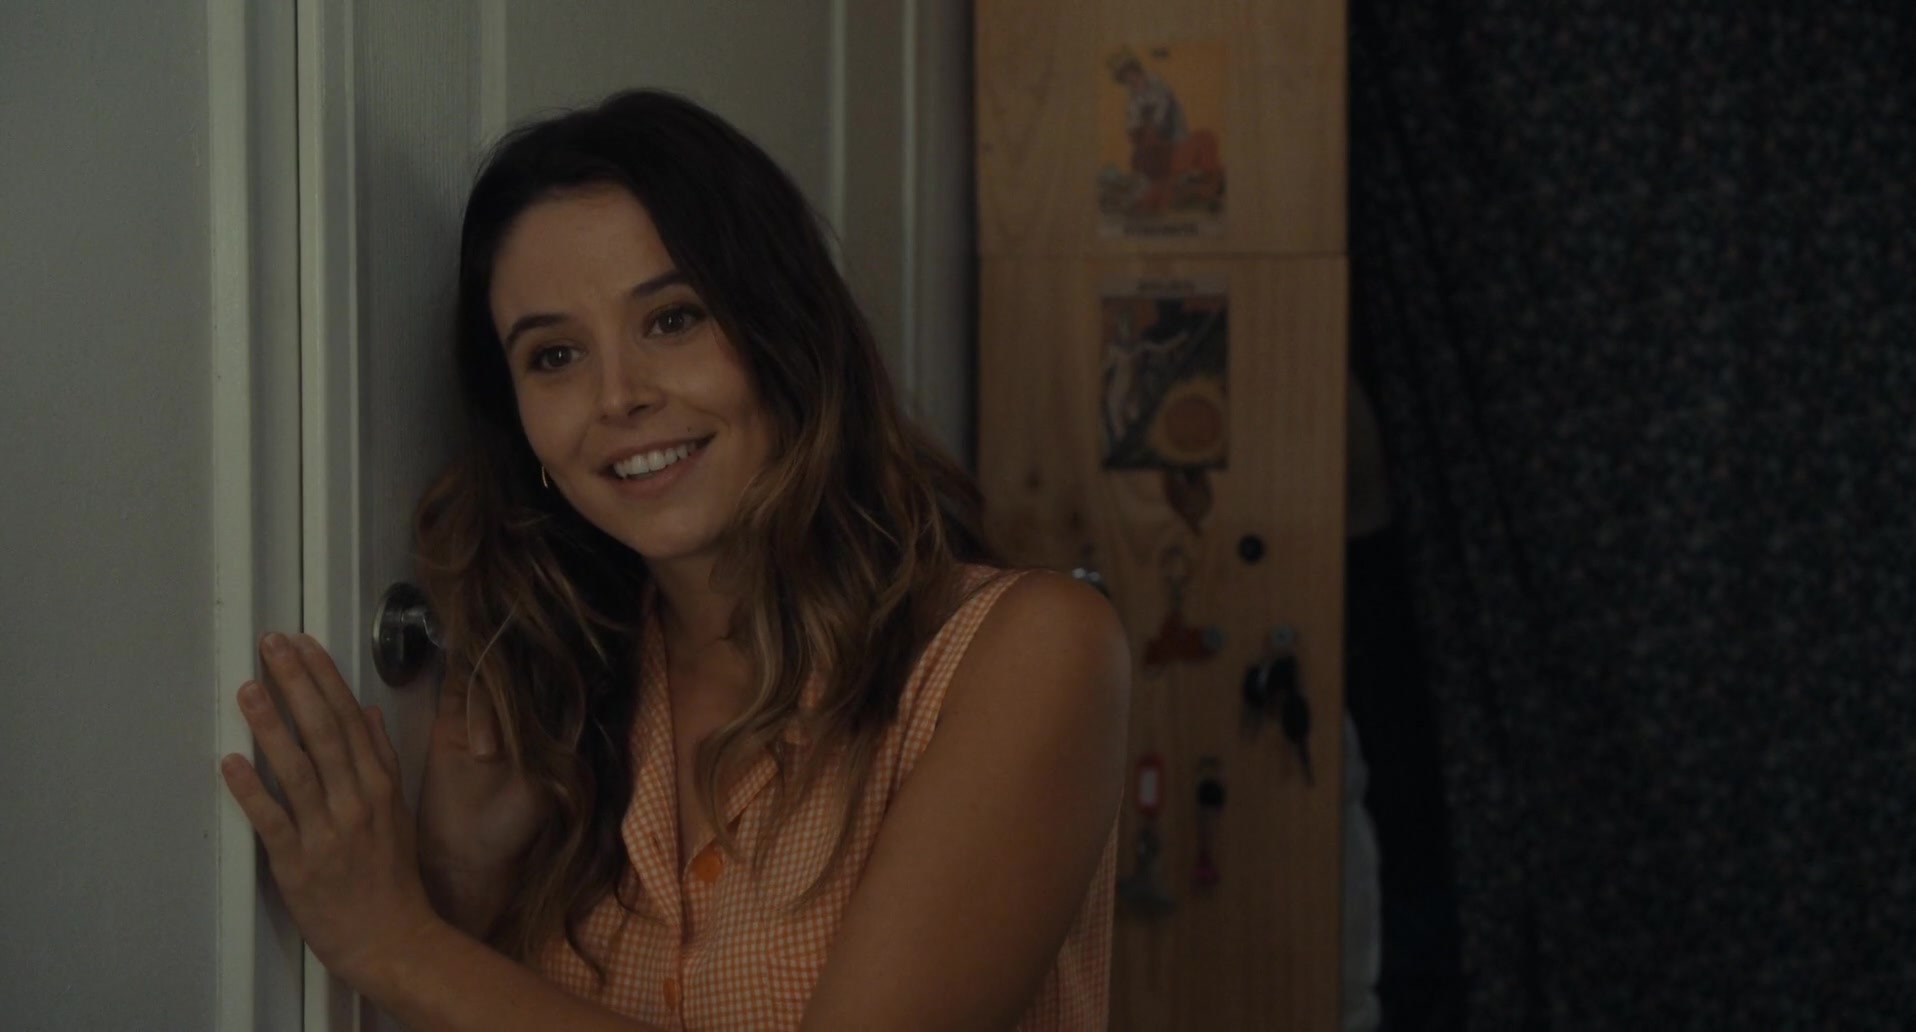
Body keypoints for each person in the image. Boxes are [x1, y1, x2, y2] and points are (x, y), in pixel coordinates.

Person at [219, 89, 1130, 1031]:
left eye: (672, 320)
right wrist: (459, 880)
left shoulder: (1025, 651)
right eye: (555, 355)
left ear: (786, 332)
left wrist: (398, 943)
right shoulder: (570, 699)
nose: (618, 396)